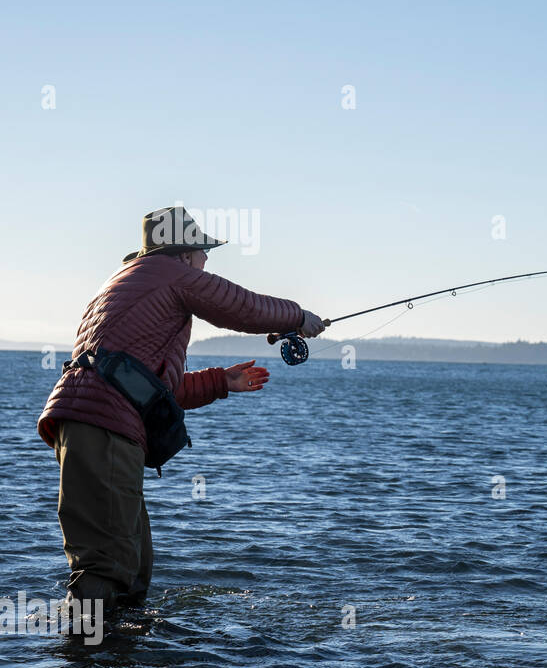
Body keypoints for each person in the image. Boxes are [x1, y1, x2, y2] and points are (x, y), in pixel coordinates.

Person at [37, 206, 328, 619]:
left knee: (133, 567)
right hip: (104, 428)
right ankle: (85, 655)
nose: (207, 260)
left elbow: (155, 388)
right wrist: (298, 317)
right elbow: (240, 305)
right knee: (107, 565)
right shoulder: (167, 273)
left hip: (88, 424)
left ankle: (114, 651)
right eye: (204, 251)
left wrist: (221, 382)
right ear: (184, 254)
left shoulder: (129, 281)